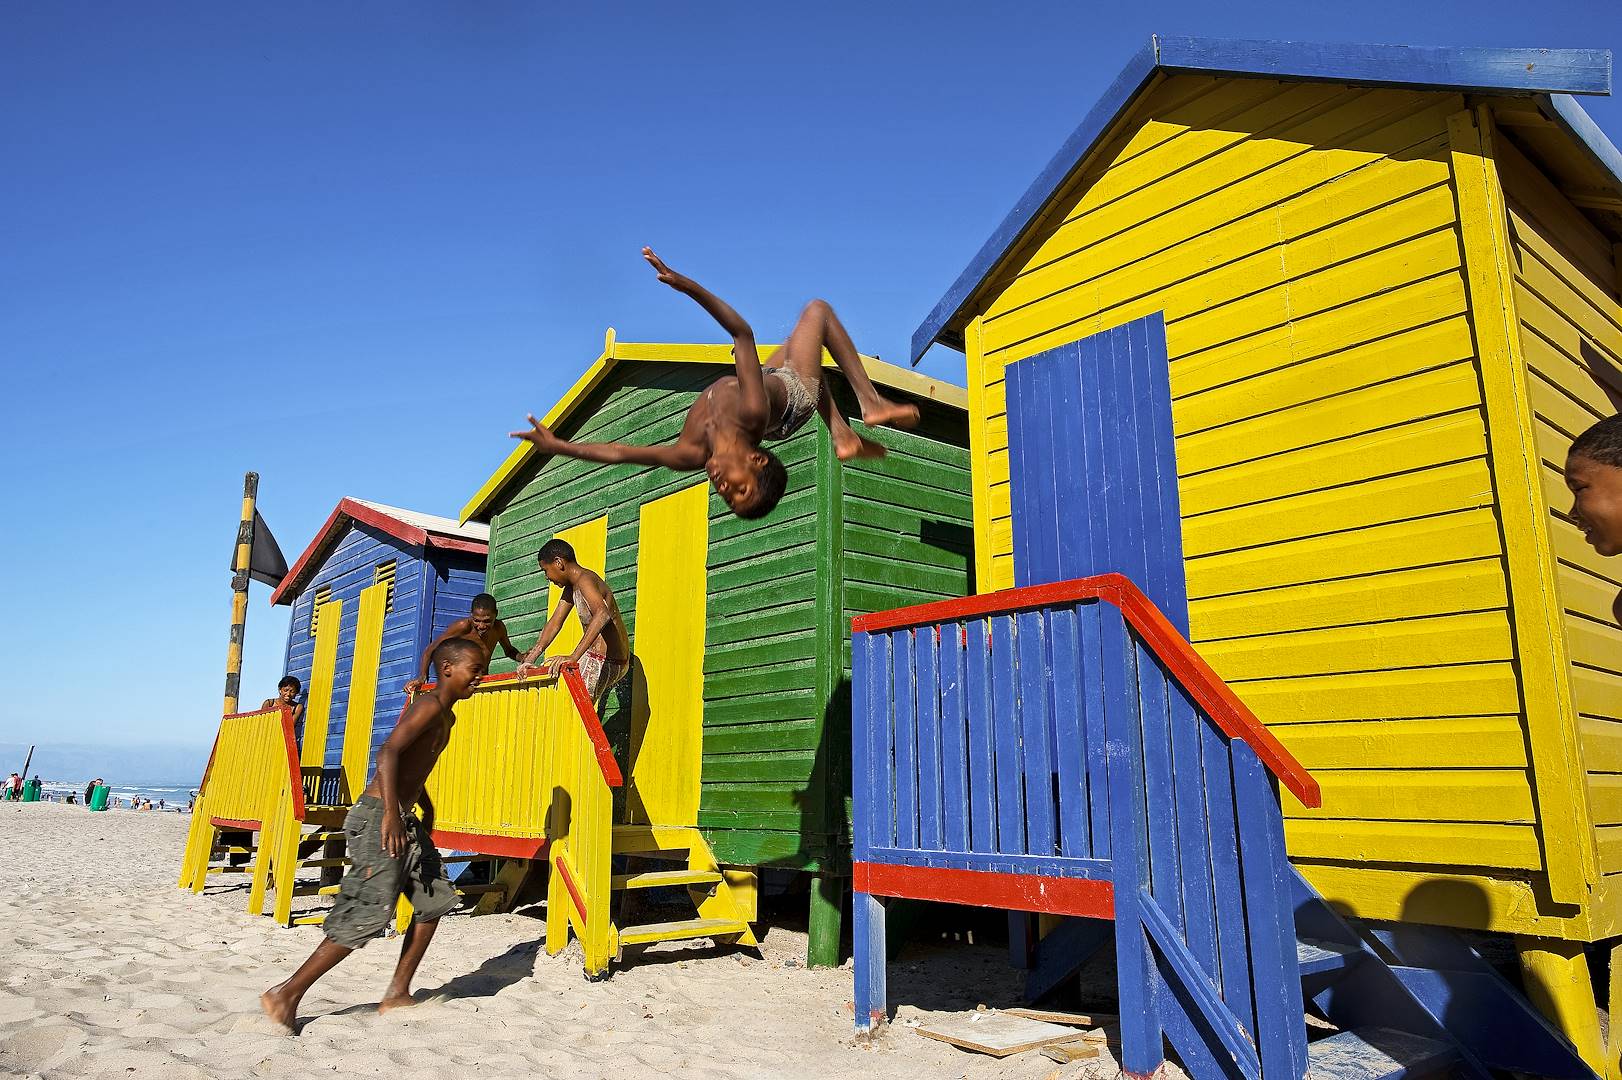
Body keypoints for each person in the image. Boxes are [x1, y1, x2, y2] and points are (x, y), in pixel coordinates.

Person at [509, 248, 919, 520]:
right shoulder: (749, 412)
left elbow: (620, 452)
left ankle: (843, 436)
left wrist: (560, 446)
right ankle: (869, 404)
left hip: (775, 396)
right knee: (818, 311)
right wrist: (684, 284)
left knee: (798, 340)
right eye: (738, 489)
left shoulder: (691, 452)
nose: (722, 488)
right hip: (793, 398)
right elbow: (742, 334)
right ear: (757, 461)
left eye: (726, 497)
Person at [260, 637, 486, 1034]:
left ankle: (398, 992)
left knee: (434, 901)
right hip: (379, 817)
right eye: (475, 669)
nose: (480, 677)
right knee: (367, 913)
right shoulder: (428, 705)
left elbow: (414, 764)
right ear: (448, 668)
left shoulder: (448, 717)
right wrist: (393, 818)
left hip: (404, 816)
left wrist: (424, 807)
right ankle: (287, 994)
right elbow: (388, 754)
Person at [516, 539, 632, 709]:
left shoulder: (585, 579)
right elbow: (555, 623)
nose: (547, 577)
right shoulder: (571, 587)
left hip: (609, 661)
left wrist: (573, 656)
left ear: (559, 563)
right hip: (595, 658)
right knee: (553, 674)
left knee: (571, 708)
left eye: (545, 570)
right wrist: (530, 659)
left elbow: (602, 613)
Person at [405, 594, 520, 694]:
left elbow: (509, 651)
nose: (481, 626)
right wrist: (422, 677)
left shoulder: (498, 628)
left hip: (481, 684)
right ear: (471, 615)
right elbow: (430, 650)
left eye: (487, 621)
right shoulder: (463, 627)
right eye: (476, 620)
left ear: (496, 615)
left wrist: (523, 657)